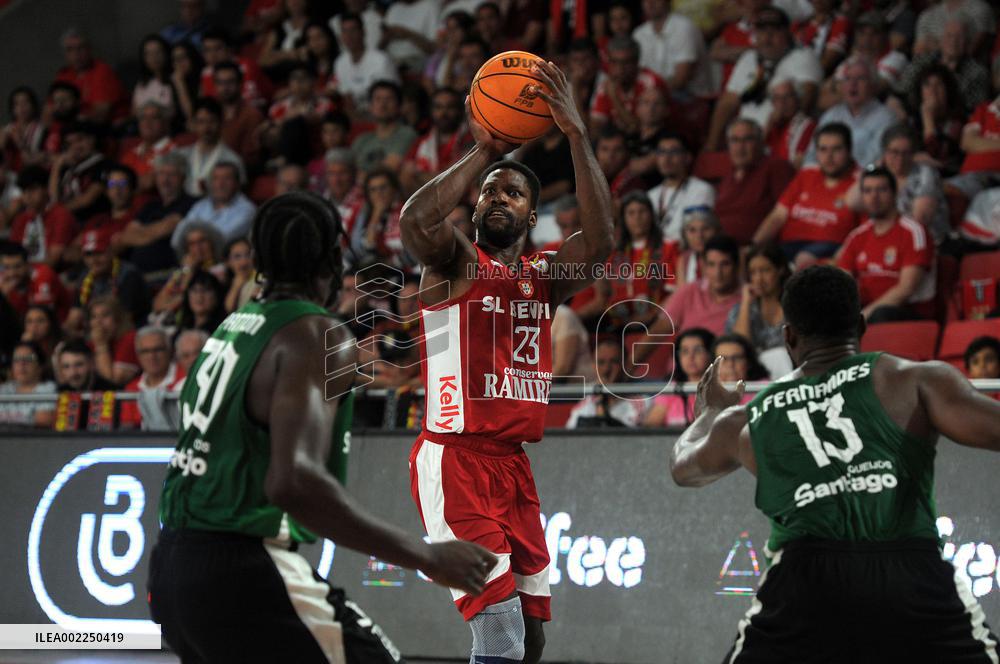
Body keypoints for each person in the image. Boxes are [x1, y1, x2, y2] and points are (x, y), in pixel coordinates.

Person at [149, 191, 496, 662]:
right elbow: (294, 481)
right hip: (242, 568)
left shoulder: (234, 325)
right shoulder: (317, 333)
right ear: (335, 257)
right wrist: (427, 556)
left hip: (172, 565)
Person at [669, 264, 1000, 662]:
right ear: (860, 325)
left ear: (788, 335)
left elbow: (683, 468)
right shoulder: (915, 380)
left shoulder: (745, 419)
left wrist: (708, 414)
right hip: (909, 569)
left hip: (803, 580)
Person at [399, 60, 614, 663]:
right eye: (489, 190)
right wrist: (482, 152)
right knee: (499, 628)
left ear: (530, 215)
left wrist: (575, 136)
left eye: (512, 191)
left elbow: (600, 244)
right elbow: (414, 221)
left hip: (513, 468)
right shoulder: (455, 264)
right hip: (456, 457)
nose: (497, 197)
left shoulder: (540, 278)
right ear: (473, 209)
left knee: (532, 637)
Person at [705, 6, 822, 151]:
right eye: (762, 31)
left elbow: (805, 104)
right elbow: (727, 103)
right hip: (745, 141)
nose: (767, 37)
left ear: (788, 32)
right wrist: (711, 146)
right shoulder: (750, 58)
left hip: (781, 143)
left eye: (774, 31)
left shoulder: (803, 56)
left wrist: (769, 136)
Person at [836, 166, 936, 323]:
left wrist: (863, 316)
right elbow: (842, 285)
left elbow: (906, 289)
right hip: (865, 312)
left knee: (881, 315)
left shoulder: (914, 232)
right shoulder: (857, 236)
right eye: (868, 191)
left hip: (907, 313)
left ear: (895, 193)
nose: (874, 197)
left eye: (881, 190)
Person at [754, 123, 861, 268]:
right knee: (761, 261)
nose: (829, 157)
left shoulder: (860, 182)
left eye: (836, 149)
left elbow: (862, 232)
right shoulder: (806, 175)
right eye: (823, 150)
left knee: (803, 259)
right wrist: (754, 245)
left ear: (849, 151)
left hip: (832, 248)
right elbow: (778, 215)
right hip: (790, 244)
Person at [806, 56, 899, 169]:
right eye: (848, 78)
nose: (853, 84)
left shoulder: (886, 118)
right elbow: (811, 155)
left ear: (873, 86)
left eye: (860, 79)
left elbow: (873, 162)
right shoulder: (831, 115)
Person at [716, 118, 796, 245]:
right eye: (735, 140)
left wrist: (753, 247)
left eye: (747, 140)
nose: (740, 147)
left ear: (761, 143)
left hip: (757, 249)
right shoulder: (728, 175)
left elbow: (782, 215)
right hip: (721, 250)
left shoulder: (776, 167)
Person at [170, 161, 256, 254]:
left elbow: (219, 241)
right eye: (215, 178)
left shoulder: (247, 210)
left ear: (237, 183)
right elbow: (178, 238)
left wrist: (193, 240)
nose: (220, 184)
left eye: (227, 178)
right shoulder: (201, 205)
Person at [400, 87, 473, 195]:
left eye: (450, 107)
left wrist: (419, 176)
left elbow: (454, 179)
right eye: (438, 107)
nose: (444, 113)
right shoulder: (421, 142)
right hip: (423, 203)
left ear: (459, 110)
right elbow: (404, 178)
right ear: (431, 111)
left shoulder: (469, 139)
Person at [172, 97, 246, 197]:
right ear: (193, 124)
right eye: (201, 122)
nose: (206, 128)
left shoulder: (233, 160)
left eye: (212, 121)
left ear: (221, 123)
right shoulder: (181, 155)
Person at [646, 133, 715, 240]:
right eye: (662, 152)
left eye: (674, 152)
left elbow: (697, 233)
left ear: (687, 157)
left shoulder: (701, 190)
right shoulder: (650, 195)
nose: (667, 158)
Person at [642, 327, 715, 427]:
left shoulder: (722, 387)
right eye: (684, 351)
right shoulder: (671, 389)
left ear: (711, 354)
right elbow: (649, 429)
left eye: (698, 350)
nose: (691, 357)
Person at [118, 326, 186, 431]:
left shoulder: (187, 380)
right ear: (138, 355)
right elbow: (127, 430)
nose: (152, 356)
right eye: (145, 351)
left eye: (158, 350)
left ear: (170, 351)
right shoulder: (131, 389)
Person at [566, 338, 645, 428]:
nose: (606, 369)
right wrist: (600, 400)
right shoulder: (587, 400)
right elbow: (570, 432)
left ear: (625, 365)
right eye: (601, 362)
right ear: (593, 365)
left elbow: (624, 437)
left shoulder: (640, 402)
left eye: (614, 362)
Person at [727, 243, 789, 354]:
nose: (758, 279)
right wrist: (745, 303)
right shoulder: (740, 310)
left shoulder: (795, 306)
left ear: (780, 269)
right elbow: (739, 349)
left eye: (765, 270)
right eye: (753, 272)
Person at [334, 12, 399, 114]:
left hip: (381, 114)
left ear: (363, 32)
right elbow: (347, 99)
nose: (349, 36)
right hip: (356, 116)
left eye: (353, 30)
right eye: (344, 31)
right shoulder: (340, 62)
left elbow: (391, 98)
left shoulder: (381, 60)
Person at [351, 81, 418, 175]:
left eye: (388, 99)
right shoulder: (362, 140)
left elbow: (390, 168)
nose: (383, 104)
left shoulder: (407, 134)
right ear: (370, 106)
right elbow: (348, 170)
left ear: (399, 106)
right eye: (378, 99)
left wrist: (361, 176)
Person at [0, 340, 56, 428]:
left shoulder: (48, 389)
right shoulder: (3, 389)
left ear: (40, 366)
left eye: (28, 359)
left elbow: (43, 422)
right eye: (17, 359)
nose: (22, 364)